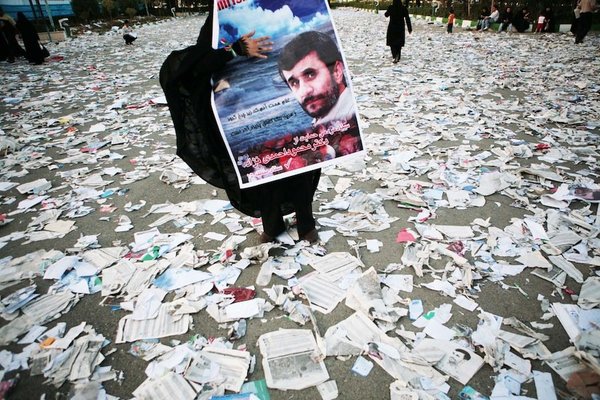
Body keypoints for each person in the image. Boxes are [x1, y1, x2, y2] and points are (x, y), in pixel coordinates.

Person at [160, 7, 320, 244]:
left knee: (301, 160)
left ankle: (306, 223)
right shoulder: (221, 15)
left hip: (288, 100)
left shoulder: (286, 4)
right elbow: (196, 64)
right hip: (245, 110)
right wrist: (234, 50)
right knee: (263, 167)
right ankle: (273, 225)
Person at [277, 30, 353, 127]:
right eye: (295, 83)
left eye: (310, 75)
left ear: (337, 71)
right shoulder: (323, 122)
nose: (304, 91)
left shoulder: (355, 112)